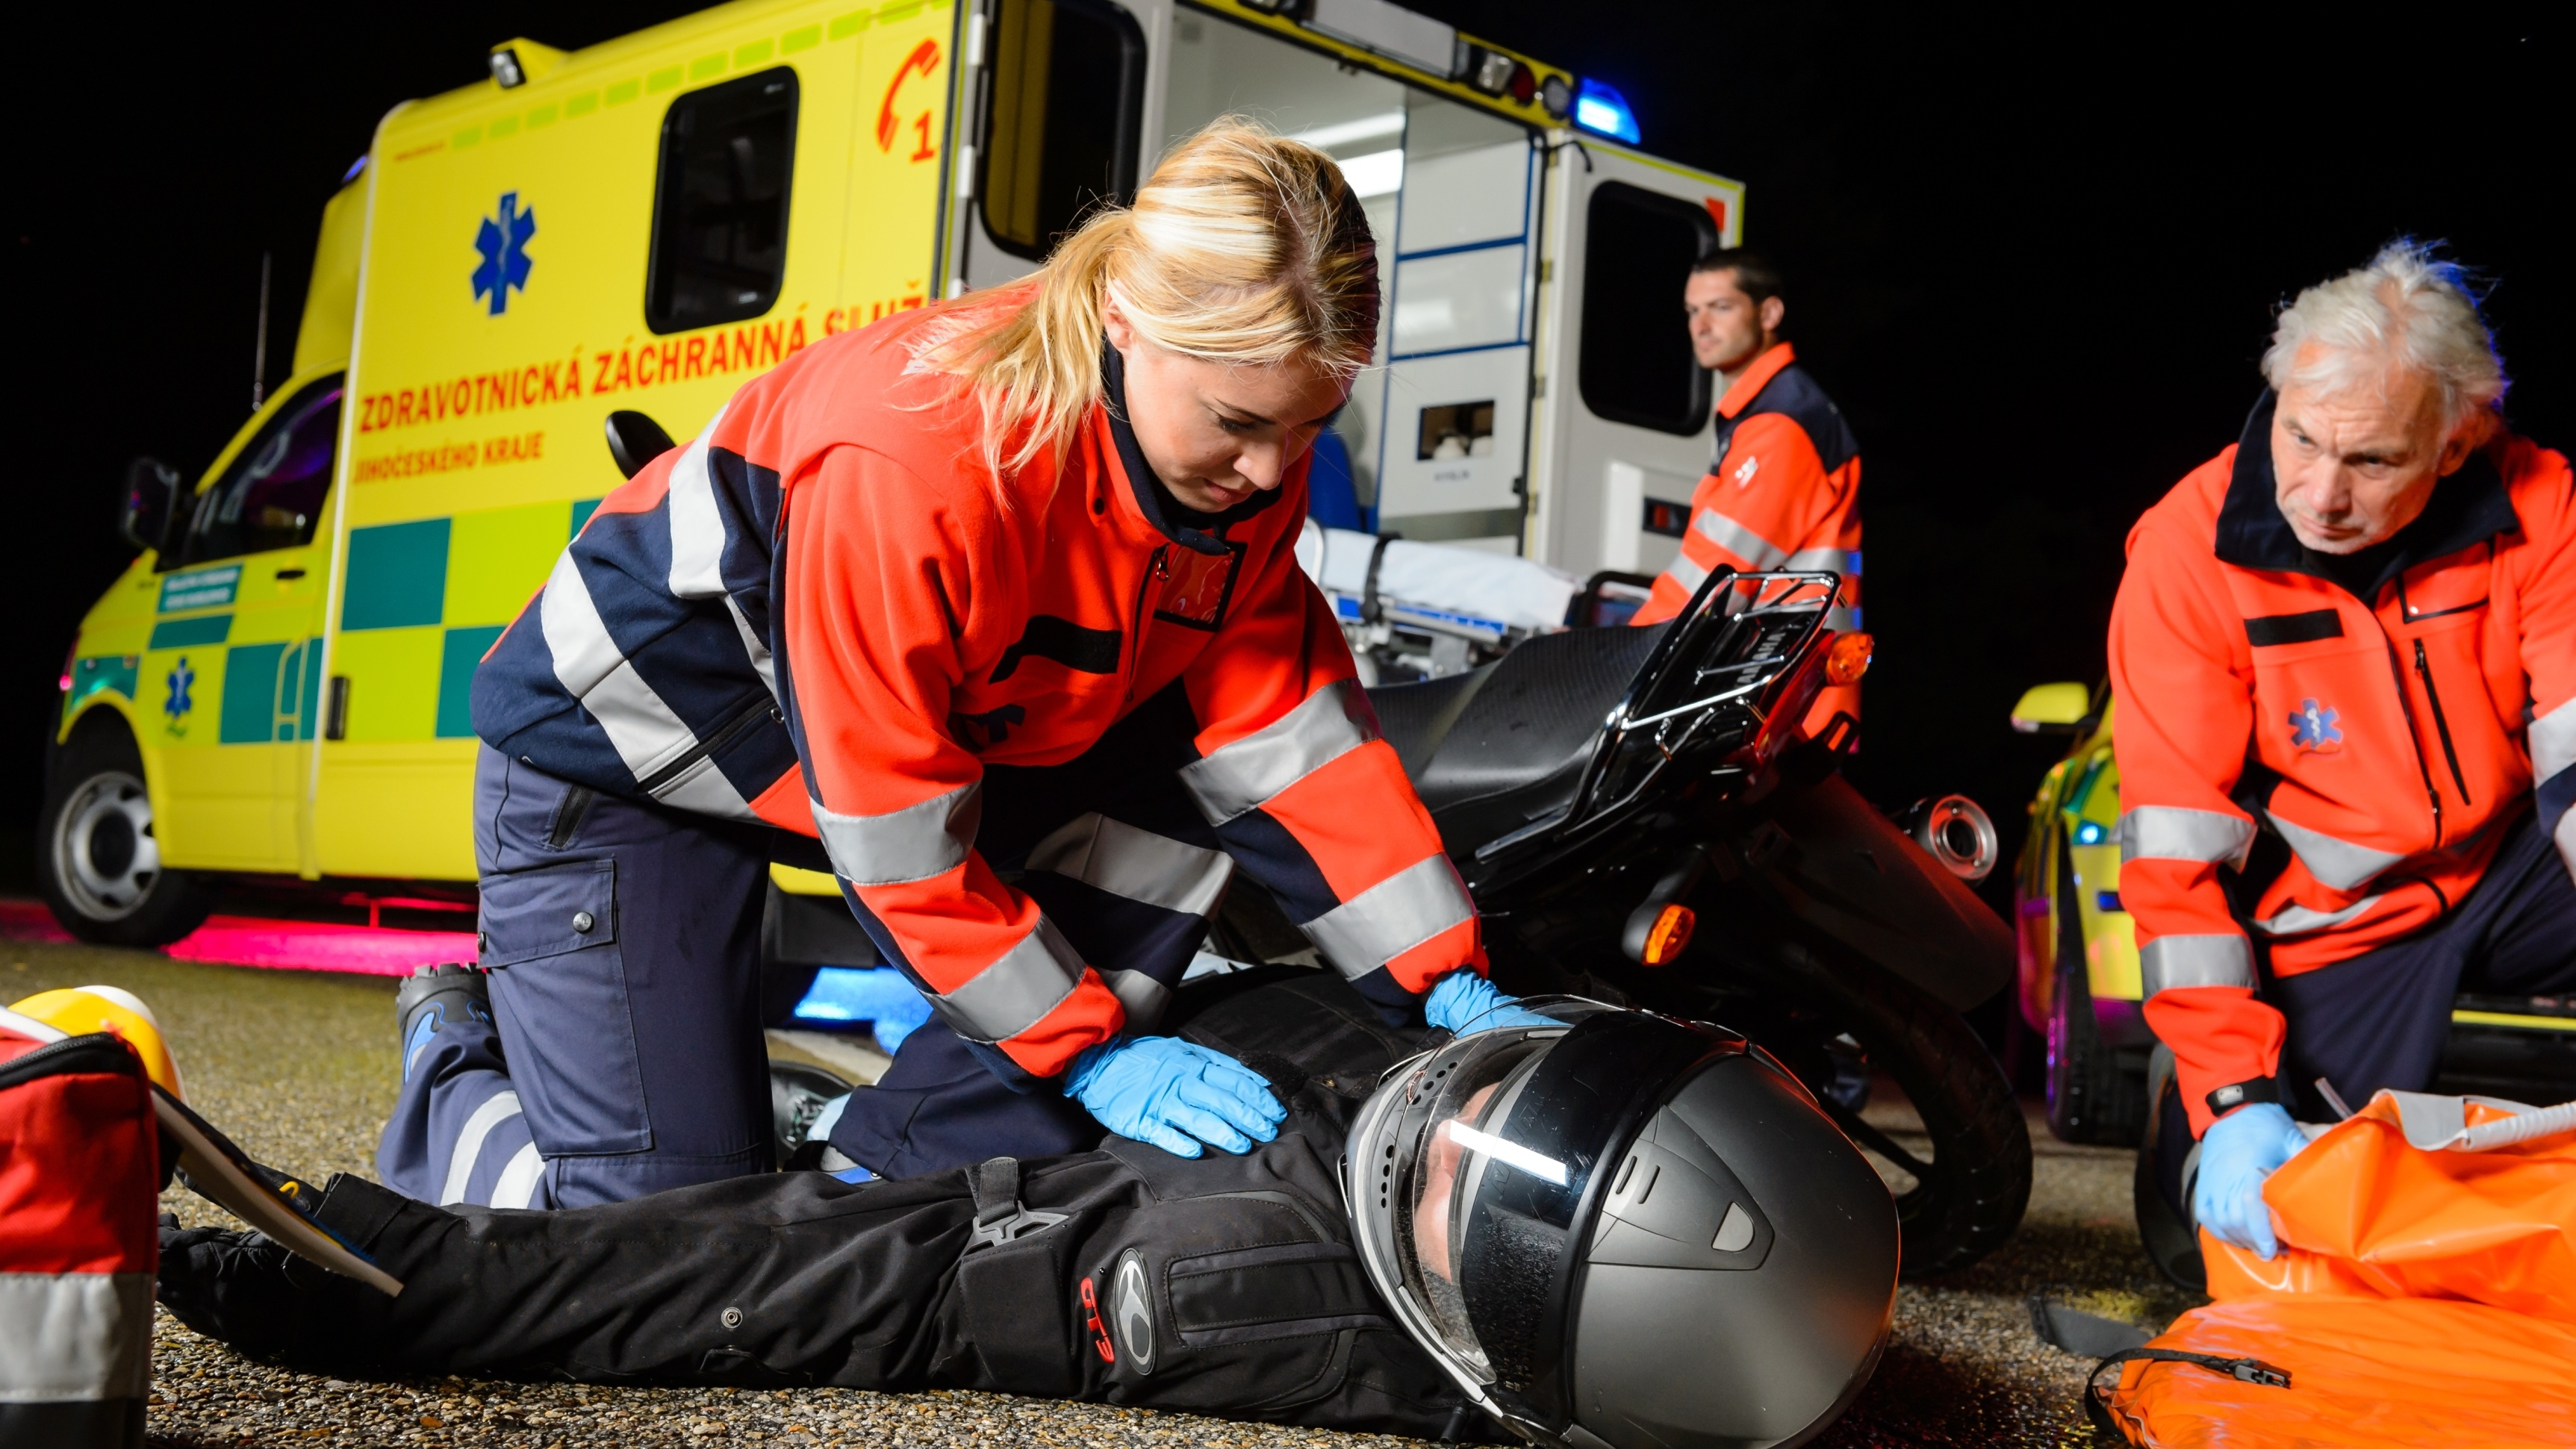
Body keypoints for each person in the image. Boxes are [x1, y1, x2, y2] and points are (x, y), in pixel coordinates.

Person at [391, 121, 1540, 1212]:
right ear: (1125, 318)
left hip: (853, 763)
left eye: (1309, 427)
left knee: (1165, 820)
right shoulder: (915, 456)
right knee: (652, 1237)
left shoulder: (1236, 463)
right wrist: (1085, 1054)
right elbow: (894, 826)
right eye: (1237, 422)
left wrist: (1440, 976)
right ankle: (455, 1052)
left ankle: (869, 1175)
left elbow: (1279, 727)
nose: (1267, 470)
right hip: (627, 758)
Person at [159, 972, 1900, 1448]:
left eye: (1479, 1190)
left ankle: (450, 1053)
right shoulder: (1447, 1113)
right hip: (1066, 1030)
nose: (1451, 1124)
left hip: (1006, 1120)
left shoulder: (1233, 1284)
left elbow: (815, 1287)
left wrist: (363, 1277)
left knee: (620, 1196)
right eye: (1524, 1096)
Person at [2109, 241, 2576, 1261]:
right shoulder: (2182, 555)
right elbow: (2174, 861)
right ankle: (2188, 1105)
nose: (2318, 495)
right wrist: (2231, 1098)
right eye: (2301, 438)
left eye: (2370, 461)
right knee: (2232, 1242)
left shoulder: (2539, 501)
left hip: (2512, 868)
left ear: (2454, 446)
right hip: (2338, 924)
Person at [1630, 249, 1863, 734]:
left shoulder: (1782, 423)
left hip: (1784, 702)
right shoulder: (1775, 409)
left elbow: (1715, 580)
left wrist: (1623, 658)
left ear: (1770, 313)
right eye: (1693, 311)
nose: (1701, 325)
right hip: (1788, 693)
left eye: (1720, 307)